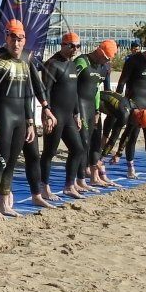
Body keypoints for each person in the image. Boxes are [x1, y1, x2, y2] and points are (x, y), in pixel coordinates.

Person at [0, 19, 49, 216]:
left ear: (25, 40)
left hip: (20, 118)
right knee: (0, 162)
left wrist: (30, 122)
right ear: (6, 38)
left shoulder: (27, 58)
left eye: (20, 39)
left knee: (11, 162)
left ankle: (4, 204)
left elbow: (29, 92)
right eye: (13, 39)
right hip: (2, 116)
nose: (16, 43)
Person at [39, 32, 87, 200]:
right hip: (55, 115)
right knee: (49, 152)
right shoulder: (52, 64)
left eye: (78, 46)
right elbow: (46, 91)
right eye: (72, 46)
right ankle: (44, 187)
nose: (75, 49)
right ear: (63, 45)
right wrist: (46, 112)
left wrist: (77, 113)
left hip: (69, 116)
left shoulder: (72, 64)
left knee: (78, 149)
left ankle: (69, 185)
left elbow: (74, 92)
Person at [116, 41, 146, 180]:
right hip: (134, 102)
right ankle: (130, 168)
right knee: (132, 136)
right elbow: (122, 81)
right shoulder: (133, 60)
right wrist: (119, 102)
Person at [77, 40, 118, 188]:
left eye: (108, 59)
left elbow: (97, 91)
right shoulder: (82, 61)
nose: (106, 61)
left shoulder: (103, 67)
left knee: (95, 141)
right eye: (105, 57)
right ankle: (80, 179)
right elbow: (70, 86)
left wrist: (96, 110)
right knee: (83, 143)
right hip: (80, 106)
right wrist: (75, 111)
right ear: (99, 51)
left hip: (92, 108)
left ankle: (94, 177)